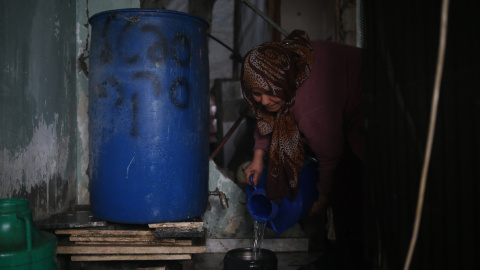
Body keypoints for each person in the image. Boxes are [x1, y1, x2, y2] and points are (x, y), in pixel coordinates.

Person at [241, 30, 365, 269]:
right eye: (257, 93)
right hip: (342, 97)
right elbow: (267, 116)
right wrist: (258, 157)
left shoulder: (310, 103)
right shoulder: (277, 67)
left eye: (271, 93)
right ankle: (339, 256)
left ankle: (350, 260)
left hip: (373, 102)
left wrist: (322, 197)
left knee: (348, 182)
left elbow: (331, 155)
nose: (264, 101)